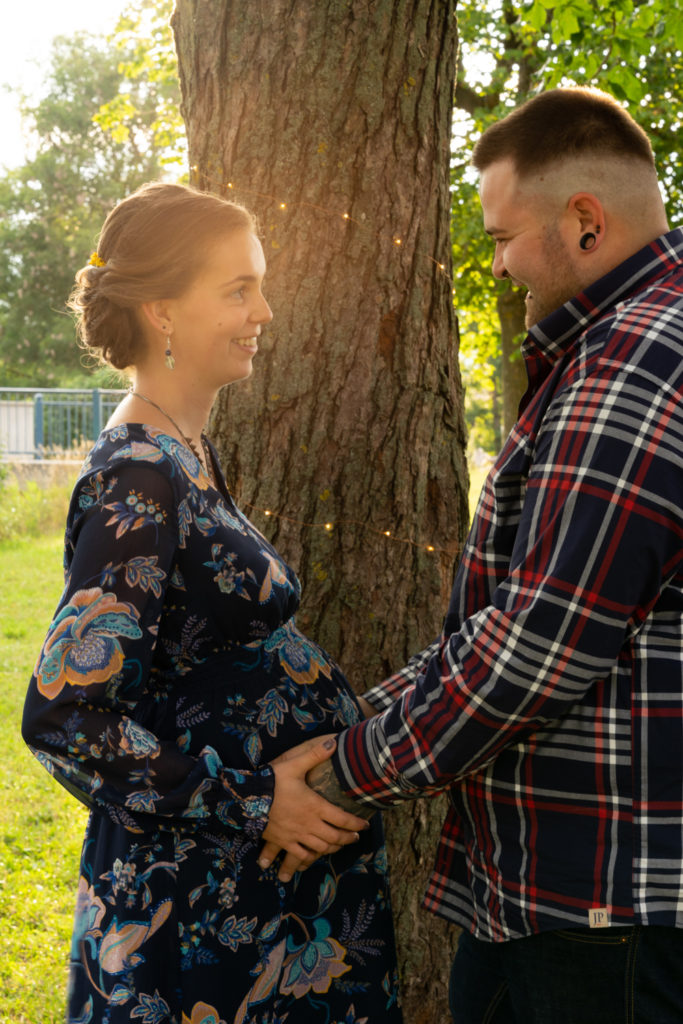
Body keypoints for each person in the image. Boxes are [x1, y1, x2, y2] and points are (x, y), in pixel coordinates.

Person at [260, 87, 683, 1022]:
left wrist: (342, 774)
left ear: (584, 221)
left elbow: (539, 647)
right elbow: (510, 619)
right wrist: (355, 720)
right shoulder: (616, 350)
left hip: (602, 907)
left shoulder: (635, 364)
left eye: (502, 237)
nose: (495, 264)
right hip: (557, 891)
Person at [22, 181, 403, 1024]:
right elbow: (66, 715)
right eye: (238, 290)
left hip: (255, 891)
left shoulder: (185, 450)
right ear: (161, 310)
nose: (262, 311)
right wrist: (254, 800)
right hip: (201, 901)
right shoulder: (139, 476)